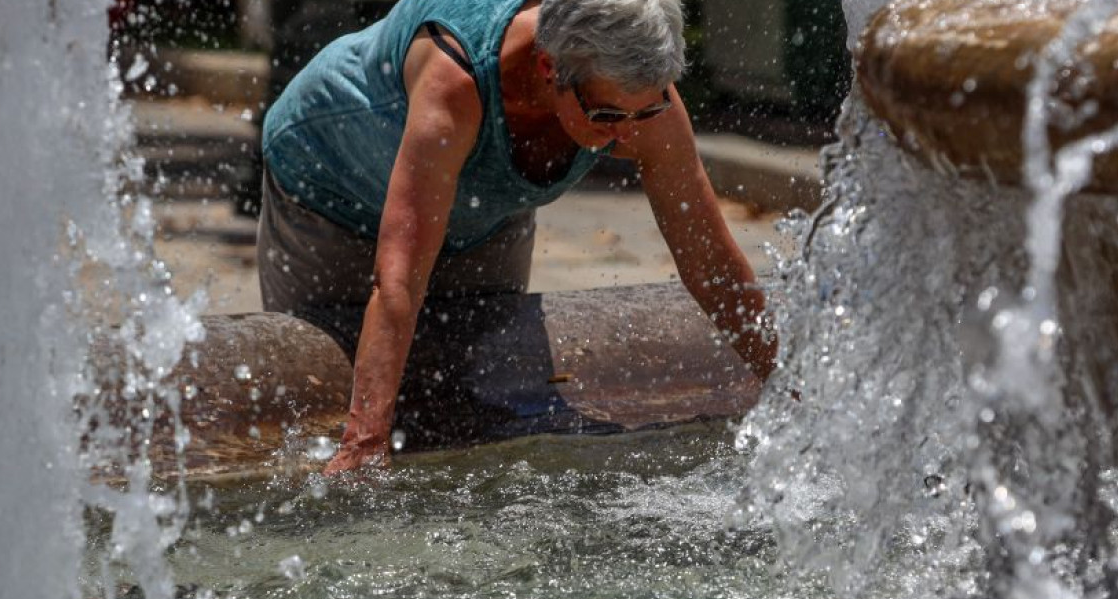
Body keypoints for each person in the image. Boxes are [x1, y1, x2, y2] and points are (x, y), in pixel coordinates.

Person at [258, 0, 779, 475]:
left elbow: (712, 267)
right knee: (320, 410)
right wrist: (363, 444)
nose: (629, 133)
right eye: (607, 115)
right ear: (550, 67)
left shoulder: (644, 102)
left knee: (480, 401)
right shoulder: (455, 74)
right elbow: (397, 281)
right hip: (331, 193)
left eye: (646, 110)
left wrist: (790, 386)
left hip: (486, 209)